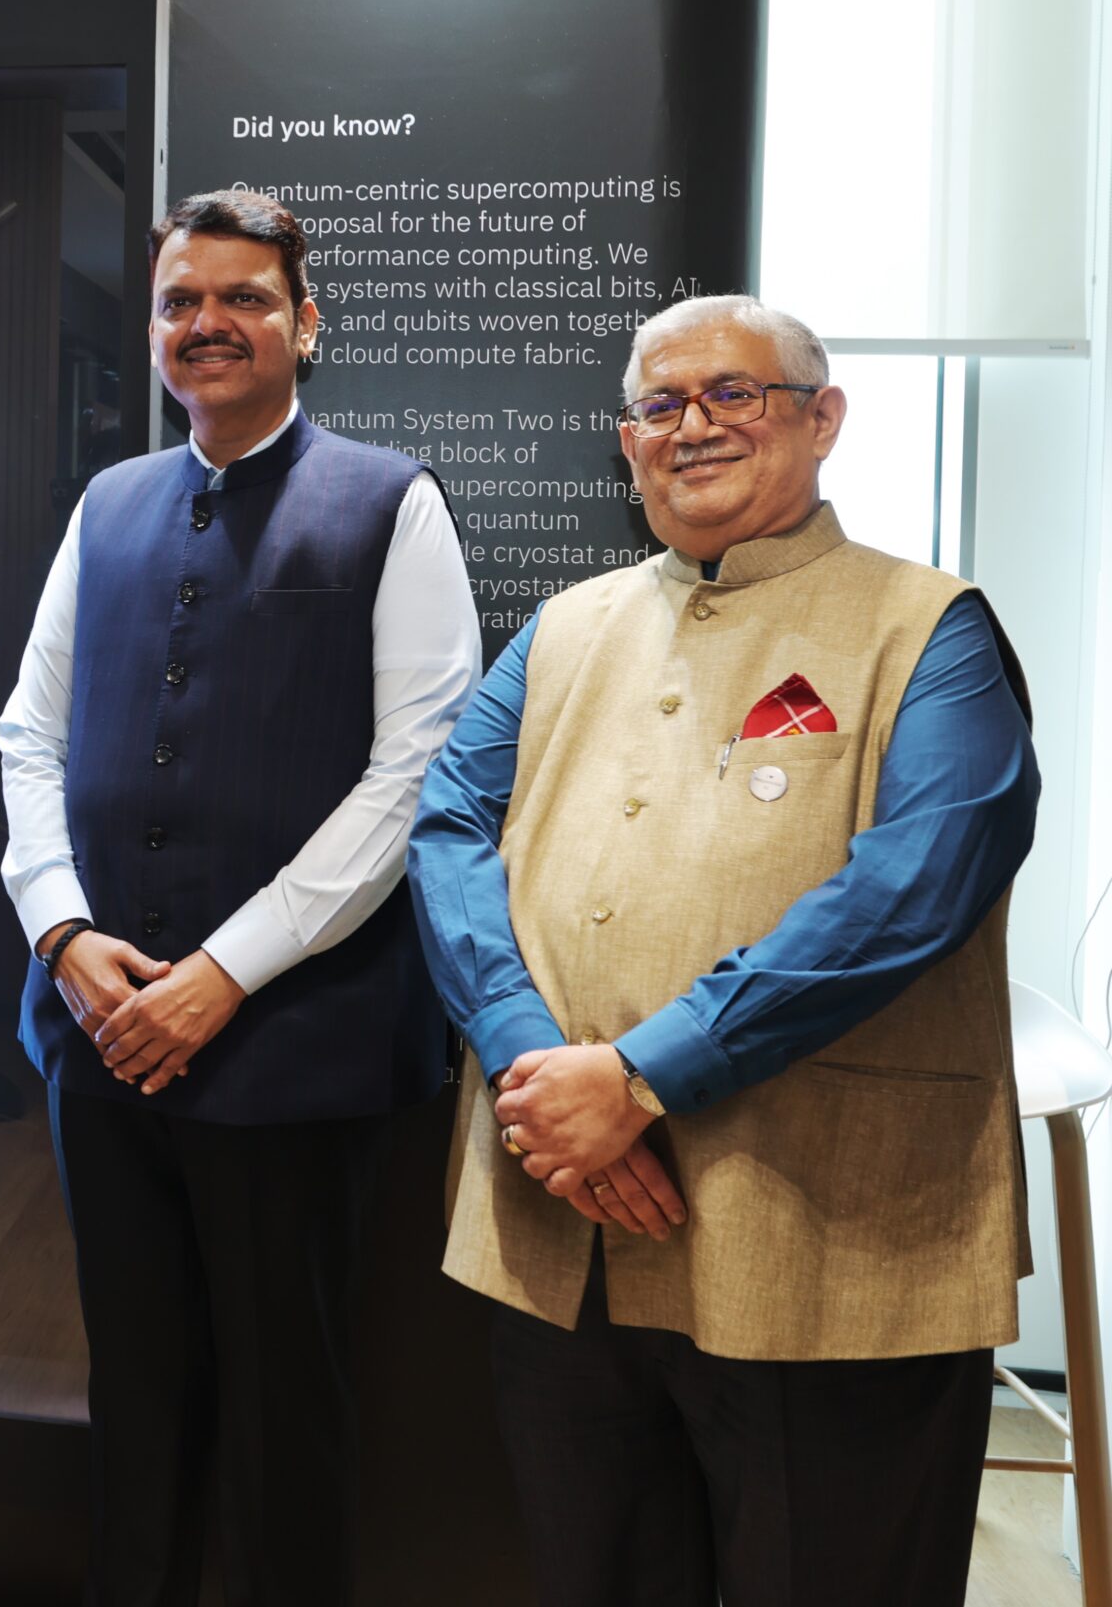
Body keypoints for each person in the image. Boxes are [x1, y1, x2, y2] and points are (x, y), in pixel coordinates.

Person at [408, 293, 1040, 1607]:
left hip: (827, 1235)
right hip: (563, 1224)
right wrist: (533, 1066)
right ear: (626, 443)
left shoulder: (930, 628)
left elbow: (915, 888)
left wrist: (641, 1076)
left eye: (733, 393)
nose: (692, 425)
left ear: (823, 419)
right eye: (660, 404)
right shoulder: (563, 628)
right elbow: (449, 825)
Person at [0, 188, 480, 1605]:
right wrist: (62, 930)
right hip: (98, 1030)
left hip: (293, 1044)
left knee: (284, 1404)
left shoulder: (391, 501)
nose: (206, 323)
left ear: (304, 323)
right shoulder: (107, 504)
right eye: (180, 301)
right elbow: (27, 735)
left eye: (244, 298)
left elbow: (415, 773)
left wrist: (224, 974)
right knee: (133, 1384)